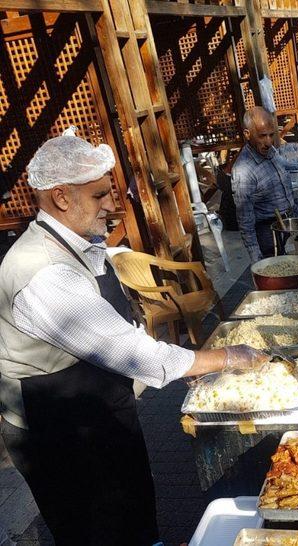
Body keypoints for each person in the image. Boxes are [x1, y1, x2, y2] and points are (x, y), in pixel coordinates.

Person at [0, 128, 270, 545]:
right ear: (60, 197)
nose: (111, 206)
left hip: (99, 409)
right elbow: (126, 349)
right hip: (59, 431)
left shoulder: (80, 244)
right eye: (99, 195)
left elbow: (120, 328)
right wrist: (224, 358)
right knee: (97, 528)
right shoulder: (42, 271)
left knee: (134, 510)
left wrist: (182, 367)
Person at [231, 106, 296, 262]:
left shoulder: (270, 150)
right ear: (247, 134)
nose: (268, 142)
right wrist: (256, 259)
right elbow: (245, 220)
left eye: (271, 135)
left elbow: (284, 165)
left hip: (290, 224)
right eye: (262, 136)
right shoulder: (243, 171)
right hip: (269, 235)